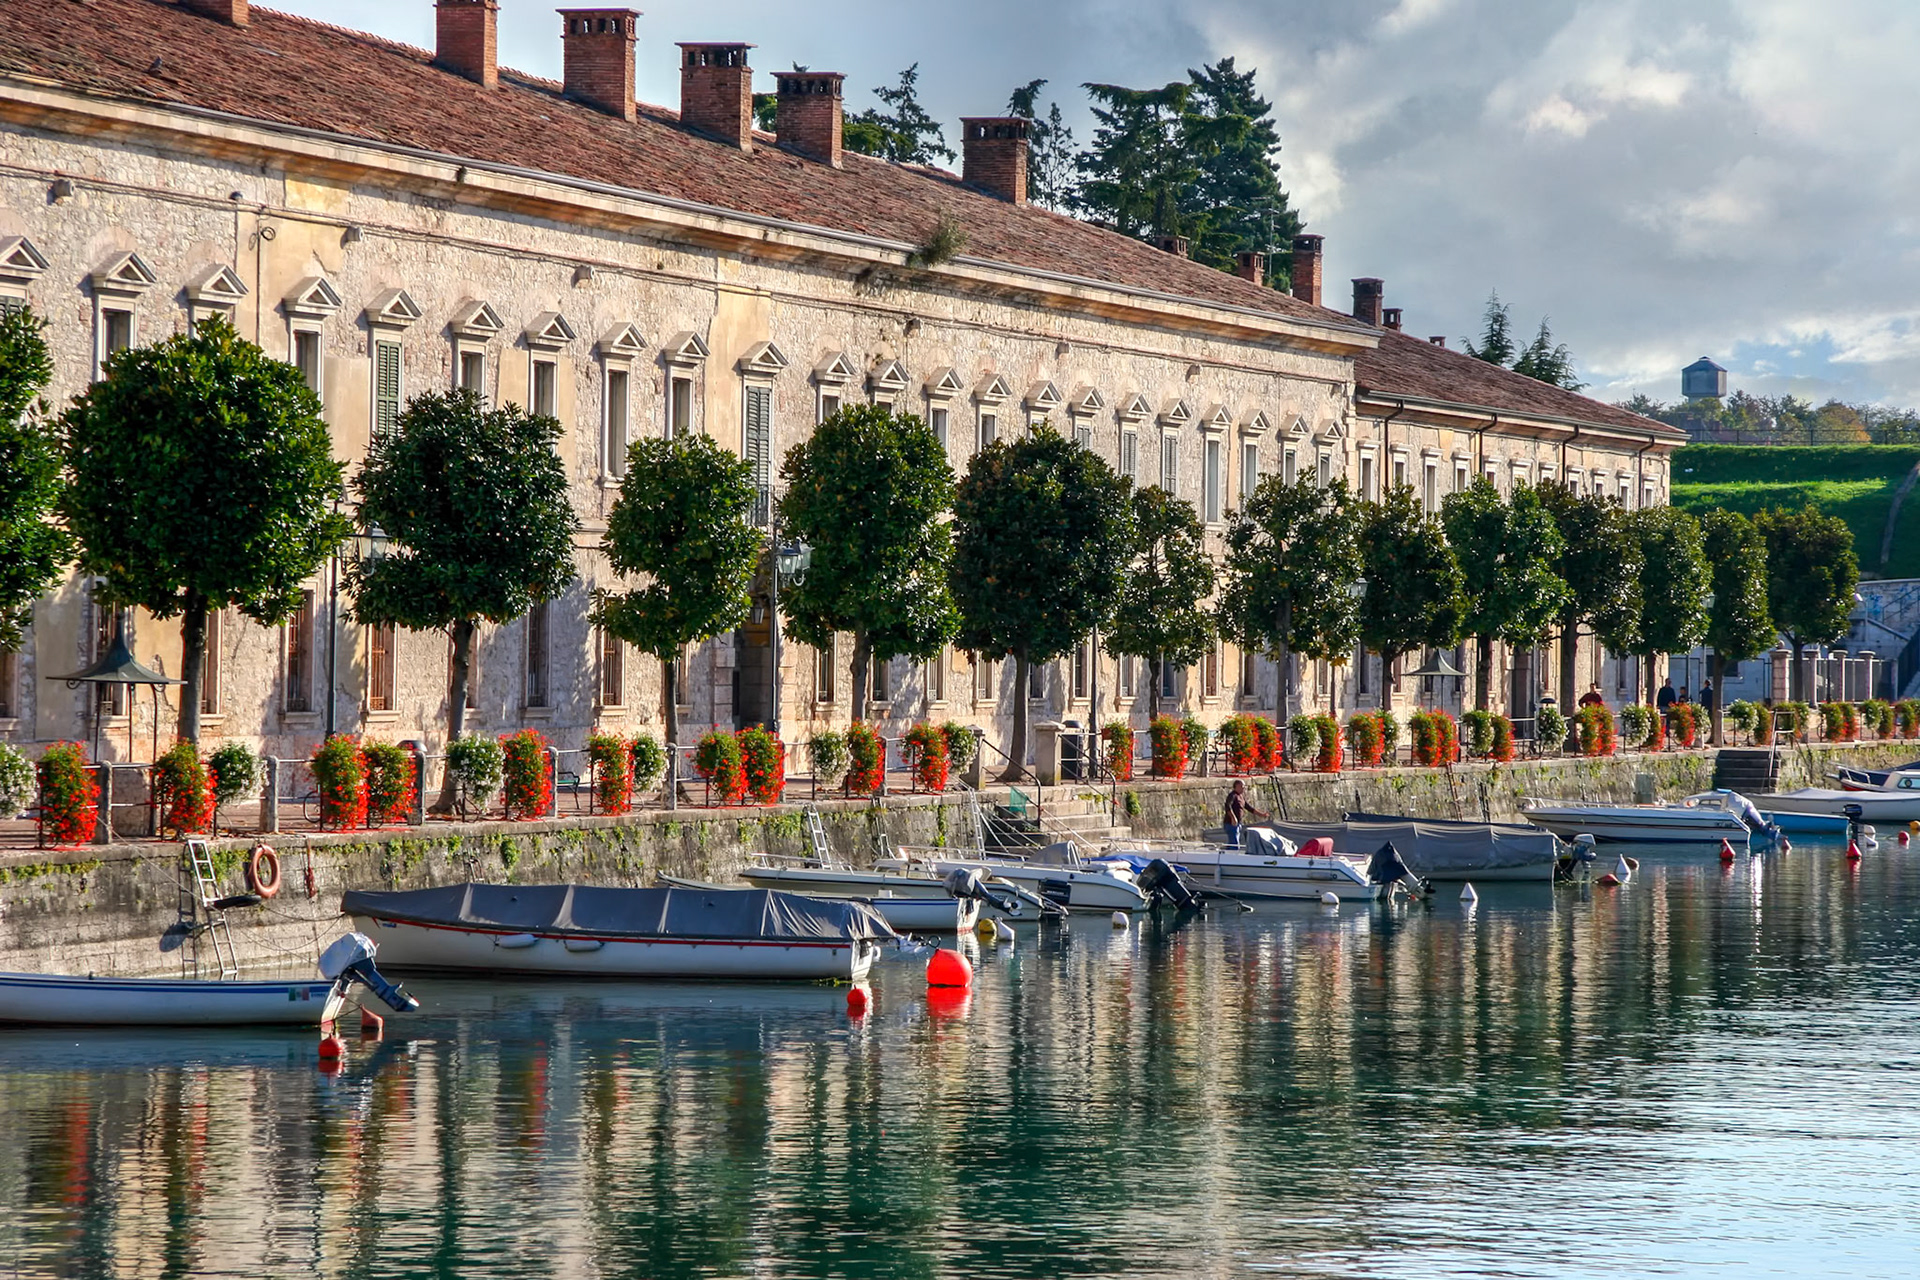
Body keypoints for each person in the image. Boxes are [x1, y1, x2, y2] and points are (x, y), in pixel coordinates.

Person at [1223, 779, 1268, 850]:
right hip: (1231, 823)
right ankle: (1232, 855)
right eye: (1242, 786)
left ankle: (1227, 854)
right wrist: (1233, 817)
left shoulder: (1241, 797)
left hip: (1238, 823)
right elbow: (1227, 806)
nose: (1243, 788)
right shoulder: (1232, 795)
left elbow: (1249, 808)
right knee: (1234, 844)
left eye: (1244, 786)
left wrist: (1261, 814)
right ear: (1236, 786)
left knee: (1234, 842)